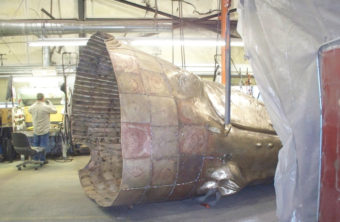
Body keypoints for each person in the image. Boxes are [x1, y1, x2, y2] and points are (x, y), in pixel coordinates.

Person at [28, 93, 57, 163]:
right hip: (44, 130)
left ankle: (35, 159)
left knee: (36, 145)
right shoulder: (45, 107)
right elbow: (55, 111)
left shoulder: (32, 107)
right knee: (43, 146)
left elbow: (29, 111)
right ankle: (42, 160)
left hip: (36, 130)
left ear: (37, 98)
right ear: (43, 98)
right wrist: (50, 103)